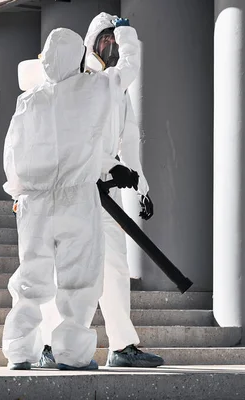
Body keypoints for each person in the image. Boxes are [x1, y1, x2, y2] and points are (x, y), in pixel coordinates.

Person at [1, 21, 141, 371]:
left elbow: (12, 153)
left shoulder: (29, 100)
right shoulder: (93, 88)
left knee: (32, 279)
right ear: (81, 56)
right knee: (79, 281)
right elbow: (128, 69)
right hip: (77, 198)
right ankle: (72, 355)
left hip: (33, 203)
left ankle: (19, 352)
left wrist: (18, 192)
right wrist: (125, 34)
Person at [31, 12, 164, 369]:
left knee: (116, 269)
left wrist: (141, 187)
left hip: (108, 192)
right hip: (75, 189)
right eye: (105, 39)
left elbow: (129, 137)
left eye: (114, 39)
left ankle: (122, 346)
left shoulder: (116, 89)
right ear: (91, 44)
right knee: (67, 269)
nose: (111, 46)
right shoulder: (82, 81)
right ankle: (49, 344)